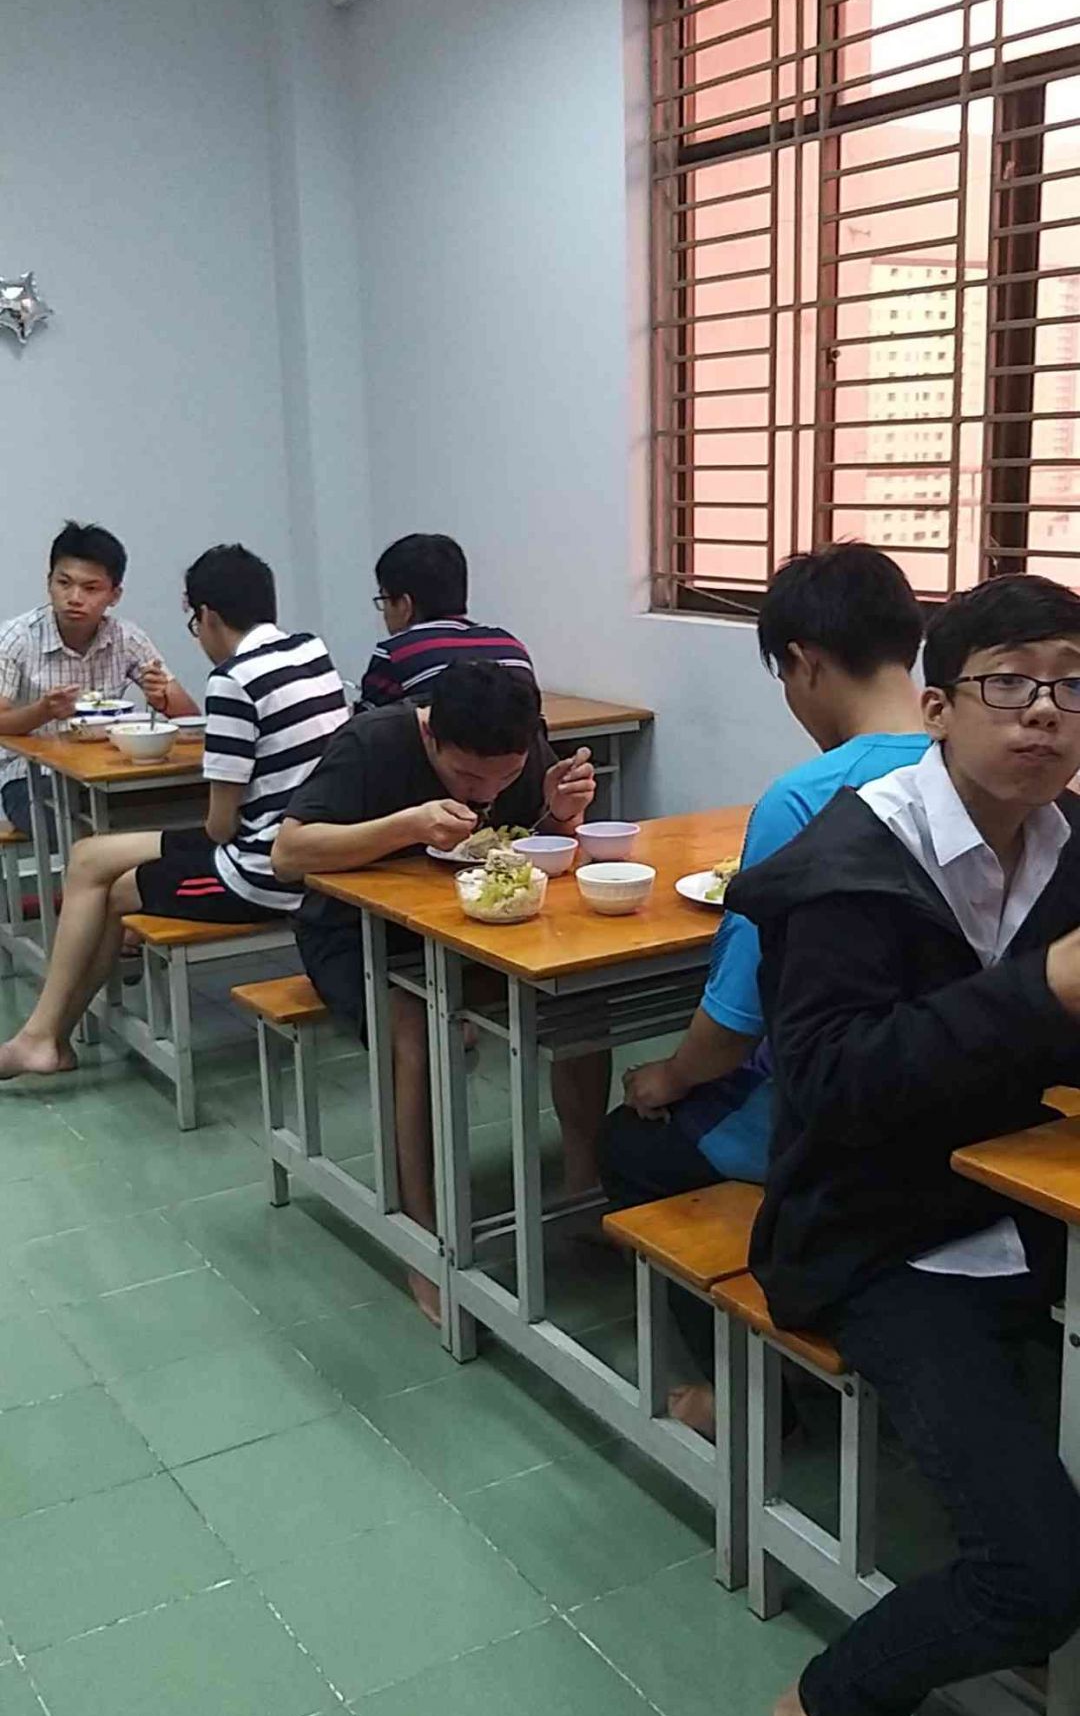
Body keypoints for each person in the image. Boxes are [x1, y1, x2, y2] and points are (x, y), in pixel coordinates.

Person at [725, 571, 1080, 1716]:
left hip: (1021, 1206)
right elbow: (827, 1088)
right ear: (937, 707)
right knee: (1039, 1572)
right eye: (1011, 681)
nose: (1045, 711)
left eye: (1073, 686)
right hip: (874, 1235)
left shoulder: (1067, 843)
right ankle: (829, 1700)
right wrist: (1044, 990)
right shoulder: (850, 864)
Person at [601, 543, 926, 1432]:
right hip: (943, 1106)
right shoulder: (973, 768)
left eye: (784, 677)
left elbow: (735, 1024)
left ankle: (748, 1392)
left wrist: (664, 1077)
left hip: (827, 1123)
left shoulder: (807, 798)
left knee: (632, 1139)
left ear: (805, 662)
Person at [274, 660, 606, 1321]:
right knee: (420, 1028)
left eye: (505, 777)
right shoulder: (373, 741)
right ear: (431, 735)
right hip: (357, 932)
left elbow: (526, 846)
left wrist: (562, 815)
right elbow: (288, 853)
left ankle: (583, 1186)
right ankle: (423, 1236)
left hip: (472, 923)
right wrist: (408, 825)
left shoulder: (514, 743)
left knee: (582, 998)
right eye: (467, 778)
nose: (487, 792)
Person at [0, 545, 347, 1080]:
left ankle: (45, 1038)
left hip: (266, 868)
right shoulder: (310, 650)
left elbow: (220, 827)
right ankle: (44, 1038)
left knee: (111, 884)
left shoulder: (233, 679)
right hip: (303, 846)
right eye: (64, 583)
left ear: (206, 615)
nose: (75, 597)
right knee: (89, 855)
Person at [0, 521, 199, 836]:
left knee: (185, 806)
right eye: (64, 583)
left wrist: (161, 699)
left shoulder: (127, 638)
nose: (74, 597)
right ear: (49, 583)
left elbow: (191, 720)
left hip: (107, 771)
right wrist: (43, 711)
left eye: (91, 588)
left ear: (114, 595)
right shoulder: (16, 638)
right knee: (74, 830)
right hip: (32, 776)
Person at [357, 533, 534, 707]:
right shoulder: (511, 648)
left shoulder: (395, 654)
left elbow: (365, 724)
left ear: (405, 604)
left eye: (384, 599)